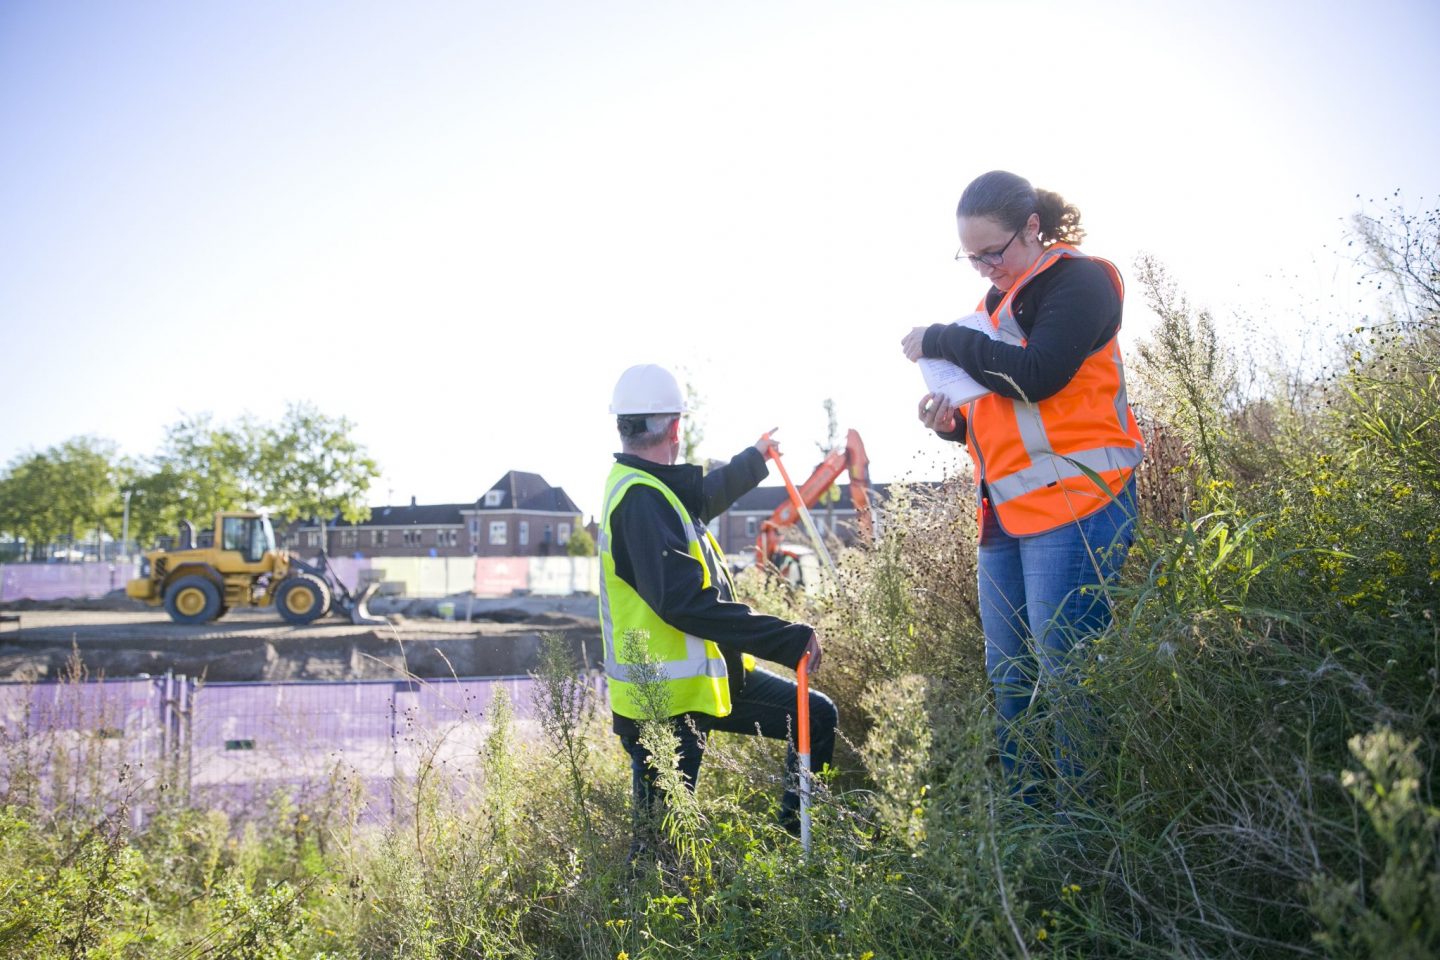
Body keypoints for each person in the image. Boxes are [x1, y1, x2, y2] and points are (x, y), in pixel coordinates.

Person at [901, 170, 1144, 797]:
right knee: (1011, 682)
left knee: (1068, 681)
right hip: (1005, 516)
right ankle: (1031, 830)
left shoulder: (1079, 282)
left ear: (1032, 228)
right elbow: (1011, 410)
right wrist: (953, 424)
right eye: (971, 256)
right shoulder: (992, 310)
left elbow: (1038, 376)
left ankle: (1081, 841)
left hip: (1080, 504)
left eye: (993, 252)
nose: (983, 267)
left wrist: (942, 339)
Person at [598, 362, 835, 852]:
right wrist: (784, 640)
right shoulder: (641, 500)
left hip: (707, 682)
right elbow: (685, 604)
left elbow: (700, 497)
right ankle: (649, 917)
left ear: (623, 424)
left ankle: (792, 847)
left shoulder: (654, 487)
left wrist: (755, 459)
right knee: (662, 849)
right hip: (663, 704)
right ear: (677, 427)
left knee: (816, 714)